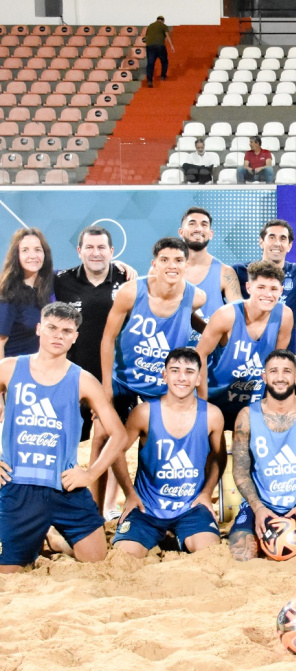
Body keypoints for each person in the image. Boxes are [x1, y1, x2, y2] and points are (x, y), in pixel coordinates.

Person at [0, 303, 127, 572]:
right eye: (52, 328)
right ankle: (37, 536)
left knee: (96, 561)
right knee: (10, 573)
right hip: (19, 486)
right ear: (39, 329)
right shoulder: (9, 368)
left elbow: (119, 435)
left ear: (75, 337)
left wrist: (90, 474)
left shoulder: (83, 380)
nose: (58, 335)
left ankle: (55, 541)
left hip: (65, 486)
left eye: (67, 330)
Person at [96, 237, 206, 517]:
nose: (172, 265)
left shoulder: (196, 296)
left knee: (158, 445)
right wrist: (106, 384)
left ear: (186, 264)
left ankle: (146, 500)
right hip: (124, 378)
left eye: (178, 260)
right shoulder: (131, 292)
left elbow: (198, 321)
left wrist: (213, 331)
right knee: (101, 437)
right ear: (154, 263)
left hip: (161, 385)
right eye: (165, 260)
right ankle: (97, 510)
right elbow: (108, 338)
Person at [110, 348, 225, 558]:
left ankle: (179, 534)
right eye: (175, 370)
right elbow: (116, 452)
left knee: (210, 554)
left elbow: (219, 457)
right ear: (165, 375)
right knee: (123, 558)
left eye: (189, 372)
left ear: (199, 378)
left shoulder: (212, 415)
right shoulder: (143, 413)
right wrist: (129, 494)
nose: (182, 377)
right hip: (147, 508)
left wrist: (207, 492)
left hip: (190, 507)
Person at [229, 349, 296, 561]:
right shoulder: (247, 416)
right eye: (273, 371)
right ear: (264, 376)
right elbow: (240, 470)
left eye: (287, 371)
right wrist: (258, 508)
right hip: (262, 505)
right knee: (243, 554)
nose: (280, 377)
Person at [196, 260, 293, 430]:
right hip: (215, 395)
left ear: (281, 291)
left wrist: (273, 404)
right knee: (214, 454)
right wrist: (202, 403)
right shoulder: (227, 315)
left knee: (246, 453)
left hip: (252, 398)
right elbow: (200, 355)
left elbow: (277, 363)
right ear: (248, 288)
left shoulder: (284, 315)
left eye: (273, 289)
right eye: (261, 287)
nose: (267, 294)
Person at [54, 225, 131, 439]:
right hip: (73, 380)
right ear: (79, 251)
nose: (95, 253)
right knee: (71, 441)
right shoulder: (60, 281)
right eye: (89, 247)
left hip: (117, 381)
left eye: (101, 247)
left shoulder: (128, 280)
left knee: (112, 445)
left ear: (112, 251)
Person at [177, 206, 242, 344]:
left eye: (204, 224)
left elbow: (239, 316)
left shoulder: (225, 273)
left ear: (210, 234)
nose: (198, 229)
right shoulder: (167, 270)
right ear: (181, 232)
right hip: (174, 354)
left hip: (212, 355)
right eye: (192, 223)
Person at [234, 220, 296, 325]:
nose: (277, 243)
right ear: (261, 242)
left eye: (283, 239)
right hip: (246, 340)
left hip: (284, 340)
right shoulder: (238, 271)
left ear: (289, 246)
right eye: (271, 237)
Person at [0, 228, 55, 360]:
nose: (33, 256)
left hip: (41, 370)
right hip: (14, 372)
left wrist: (113, 267)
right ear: (16, 255)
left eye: (37, 250)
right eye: (25, 250)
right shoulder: (8, 293)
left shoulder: (51, 284)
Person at [144, 14, 174, 88]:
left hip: (150, 46)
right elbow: (167, 35)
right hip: (160, 45)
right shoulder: (163, 26)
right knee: (164, 61)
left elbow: (146, 36)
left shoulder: (150, 25)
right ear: (163, 21)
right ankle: (163, 76)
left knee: (150, 63)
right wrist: (171, 46)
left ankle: (149, 80)